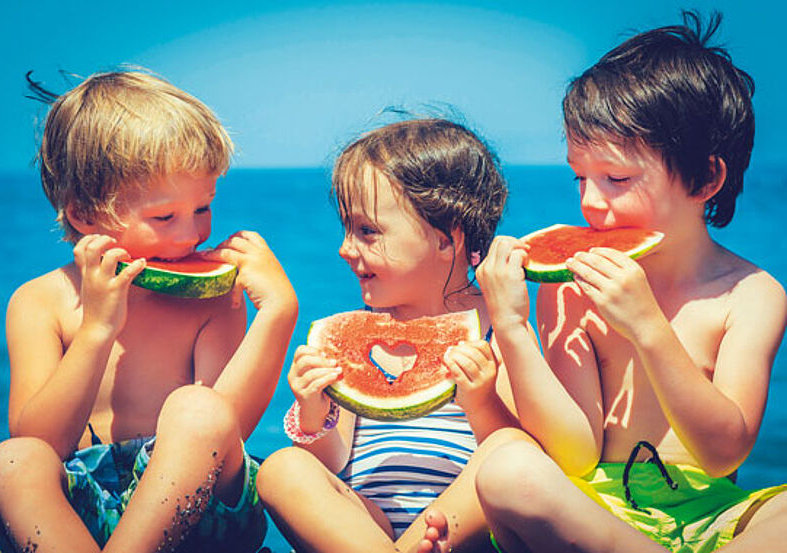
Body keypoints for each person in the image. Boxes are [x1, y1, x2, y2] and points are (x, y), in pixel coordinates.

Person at [454, 11, 787, 553]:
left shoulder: (750, 294)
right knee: (508, 472)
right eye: (580, 176)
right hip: (598, 512)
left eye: (617, 179)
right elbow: (576, 452)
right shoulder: (567, 288)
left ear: (706, 178)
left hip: (718, 515)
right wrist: (513, 327)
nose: (589, 201)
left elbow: (724, 452)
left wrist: (648, 329)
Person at [0, 70, 298, 553]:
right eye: (164, 217)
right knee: (12, 459)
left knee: (196, 410)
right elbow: (44, 441)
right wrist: (96, 330)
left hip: (198, 508)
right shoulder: (39, 301)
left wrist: (278, 313)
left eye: (203, 207)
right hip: (80, 510)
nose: (191, 235)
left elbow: (224, 426)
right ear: (84, 215)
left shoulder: (212, 297)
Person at [256, 118, 535, 553]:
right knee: (281, 467)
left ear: (447, 238)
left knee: (509, 447)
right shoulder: (352, 343)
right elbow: (330, 466)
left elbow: (528, 463)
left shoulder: (501, 334)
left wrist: (481, 404)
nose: (346, 249)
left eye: (367, 231)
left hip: (463, 534)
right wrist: (314, 412)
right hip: (368, 534)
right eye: (347, 230)